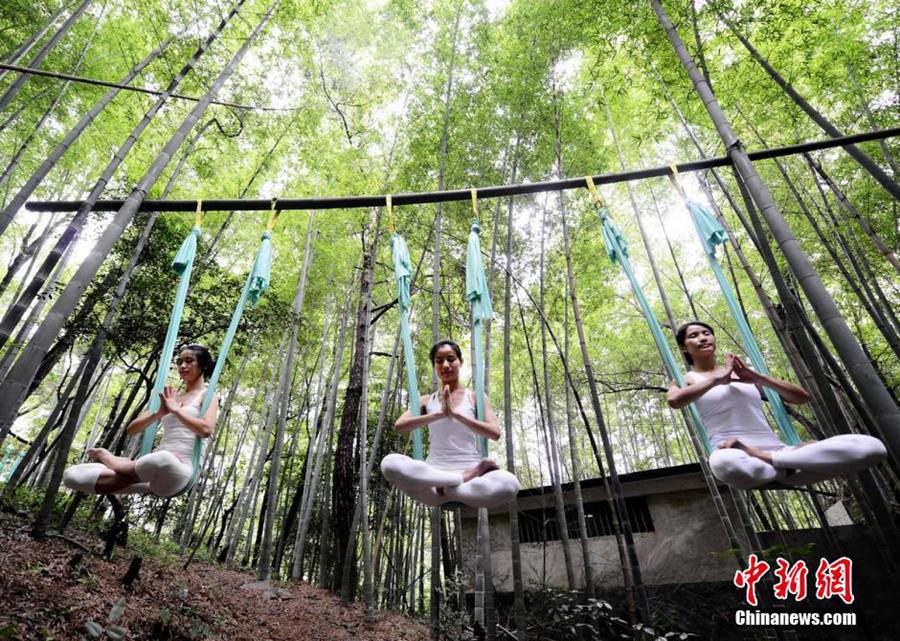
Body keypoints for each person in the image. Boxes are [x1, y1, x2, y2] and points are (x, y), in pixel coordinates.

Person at [666, 321, 886, 490]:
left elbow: (801, 398)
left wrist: (759, 378)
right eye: (693, 336)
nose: (703, 338)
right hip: (736, 453)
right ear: (685, 348)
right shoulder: (685, 378)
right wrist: (717, 379)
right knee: (723, 464)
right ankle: (790, 466)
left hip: (776, 453)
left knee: (872, 447)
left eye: (706, 333)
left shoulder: (742, 374)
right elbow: (674, 401)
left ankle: (776, 462)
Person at [63, 344, 218, 497]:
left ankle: (113, 460)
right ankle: (132, 469)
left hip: (181, 469)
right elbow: (131, 430)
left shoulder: (207, 395)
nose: (182, 366)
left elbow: (205, 430)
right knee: (72, 476)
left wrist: (175, 410)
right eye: (179, 362)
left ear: (203, 365)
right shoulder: (171, 397)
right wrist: (159, 413)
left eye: (189, 361)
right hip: (153, 471)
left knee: (162, 458)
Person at [381, 339, 520, 508]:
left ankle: (452, 487)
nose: (445, 365)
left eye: (451, 359)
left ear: (460, 362)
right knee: (389, 464)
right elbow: (400, 426)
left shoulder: (475, 397)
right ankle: (456, 481)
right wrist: (439, 414)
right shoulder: (426, 400)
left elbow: (495, 432)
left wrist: (456, 415)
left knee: (510, 484)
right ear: (434, 366)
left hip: (472, 477)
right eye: (439, 361)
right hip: (433, 478)